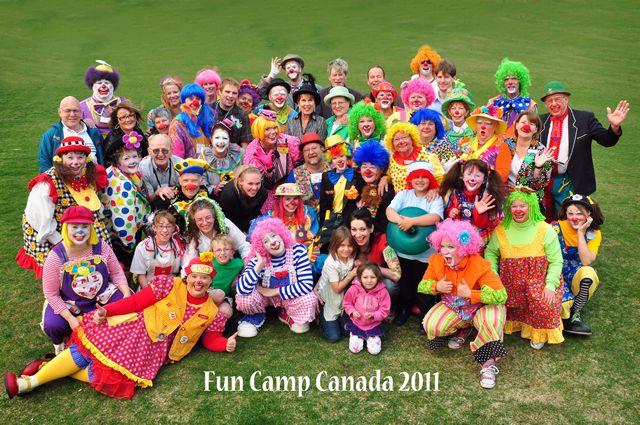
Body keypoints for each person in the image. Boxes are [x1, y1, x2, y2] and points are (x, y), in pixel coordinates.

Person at [5, 254, 237, 400]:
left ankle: (49, 366)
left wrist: (225, 343)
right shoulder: (170, 284)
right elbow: (136, 302)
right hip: (134, 328)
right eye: (194, 276)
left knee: (109, 377)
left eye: (204, 278)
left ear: (211, 281)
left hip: (154, 352)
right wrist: (107, 311)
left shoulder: (211, 311)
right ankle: (28, 383)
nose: (198, 282)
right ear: (187, 277)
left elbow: (211, 338)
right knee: (85, 352)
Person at [419, 219, 507, 389]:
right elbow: (422, 285)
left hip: (482, 309)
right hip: (455, 309)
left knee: (492, 320)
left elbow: (501, 295)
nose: (444, 251)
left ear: (463, 249)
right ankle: (465, 329)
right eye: (442, 246)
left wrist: (471, 294)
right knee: (431, 325)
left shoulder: (479, 265)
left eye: (451, 247)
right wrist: (436, 286)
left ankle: (488, 364)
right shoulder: (436, 261)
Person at [41, 206, 130, 354]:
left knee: (127, 305)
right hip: (70, 302)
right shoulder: (55, 256)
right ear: (66, 228)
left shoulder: (101, 246)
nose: (80, 231)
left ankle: (117, 337)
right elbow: (51, 294)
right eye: (74, 227)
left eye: (84, 227)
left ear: (91, 228)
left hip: (102, 296)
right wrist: (70, 319)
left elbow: (116, 272)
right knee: (53, 325)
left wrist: (126, 295)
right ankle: (60, 345)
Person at [17, 137, 110, 278]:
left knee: (93, 271)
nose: (75, 162)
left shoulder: (86, 174)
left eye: (80, 157)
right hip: (56, 233)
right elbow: (38, 218)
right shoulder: (47, 183)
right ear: (60, 158)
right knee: (64, 276)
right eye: (70, 157)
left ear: (86, 158)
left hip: (83, 228)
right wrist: (60, 242)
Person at [484, 187, 564, 349]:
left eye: (523, 205)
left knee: (543, 304)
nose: (518, 210)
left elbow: (556, 261)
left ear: (531, 206)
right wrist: (493, 275)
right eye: (514, 206)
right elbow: (490, 252)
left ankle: (539, 332)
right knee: (498, 304)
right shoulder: (501, 229)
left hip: (538, 283)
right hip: (510, 283)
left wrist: (550, 285)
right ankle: (515, 324)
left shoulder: (545, 229)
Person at [538, 80, 629, 219]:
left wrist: (614, 127)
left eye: (557, 99)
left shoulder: (585, 118)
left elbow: (606, 140)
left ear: (566, 99)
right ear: (545, 104)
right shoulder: (540, 121)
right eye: (549, 100)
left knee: (570, 219)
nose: (553, 104)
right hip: (545, 180)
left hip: (571, 181)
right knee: (545, 220)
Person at [235, 217, 317, 337]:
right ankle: (255, 315)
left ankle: (288, 314)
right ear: (261, 246)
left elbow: (306, 285)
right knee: (244, 298)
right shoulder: (257, 260)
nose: (272, 242)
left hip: (289, 298)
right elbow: (241, 290)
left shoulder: (298, 250)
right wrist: (259, 265)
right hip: (265, 299)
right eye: (266, 241)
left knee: (309, 298)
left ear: (281, 233)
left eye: (273, 235)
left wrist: (274, 291)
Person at [386, 161, 444, 326]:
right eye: (416, 177)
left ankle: (425, 315)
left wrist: (411, 221)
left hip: (426, 254)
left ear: (430, 179)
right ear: (410, 179)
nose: (420, 180)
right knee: (405, 284)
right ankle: (404, 309)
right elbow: (389, 212)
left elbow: (435, 217)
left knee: (424, 285)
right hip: (403, 251)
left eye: (424, 177)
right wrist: (401, 221)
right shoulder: (403, 195)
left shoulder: (434, 197)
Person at [552, 194, 604, 336]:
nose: (574, 218)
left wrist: (581, 233)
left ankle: (576, 312)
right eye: (570, 213)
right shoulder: (555, 227)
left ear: (588, 214)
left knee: (589, 273)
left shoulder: (594, 233)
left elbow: (586, 261)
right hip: (555, 274)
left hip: (575, 275)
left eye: (579, 213)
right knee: (560, 308)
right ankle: (565, 314)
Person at [101, 131, 151, 269]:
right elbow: (123, 216)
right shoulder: (123, 185)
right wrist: (129, 243)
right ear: (117, 161)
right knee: (126, 266)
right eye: (126, 158)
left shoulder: (129, 173)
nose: (132, 161)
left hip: (132, 226)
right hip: (123, 235)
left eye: (135, 156)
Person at [243, 109, 301, 214]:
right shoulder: (252, 152)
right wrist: (269, 169)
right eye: (267, 129)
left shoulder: (288, 142)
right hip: (266, 194)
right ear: (259, 131)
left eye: (275, 128)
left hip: (290, 188)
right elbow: (259, 184)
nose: (273, 132)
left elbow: (300, 167)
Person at [439, 159, 506, 245]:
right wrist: (452, 212)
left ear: (484, 180)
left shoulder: (488, 196)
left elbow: (484, 224)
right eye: (469, 174)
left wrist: (480, 213)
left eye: (477, 176)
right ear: (462, 176)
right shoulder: (454, 193)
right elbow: (446, 215)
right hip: (458, 237)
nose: (472, 179)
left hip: (478, 239)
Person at [182, 197, 252, 268]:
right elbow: (188, 263)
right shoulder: (193, 236)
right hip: (208, 272)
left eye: (208, 217)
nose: (205, 223)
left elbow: (244, 245)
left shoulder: (225, 225)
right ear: (195, 221)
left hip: (231, 269)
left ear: (214, 217)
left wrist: (247, 267)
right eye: (199, 219)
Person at [39, 96, 104, 171]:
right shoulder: (50, 135)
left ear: (81, 112)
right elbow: (45, 165)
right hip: (62, 178)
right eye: (68, 111)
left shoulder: (94, 134)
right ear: (60, 112)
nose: (72, 114)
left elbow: (104, 159)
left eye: (75, 111)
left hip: (94, 177)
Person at [343, 140, 394, 234]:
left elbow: (384, 225)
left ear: (381, 169)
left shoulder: (386, 189)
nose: (367, 171)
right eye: (364, 167)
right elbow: (346, 215)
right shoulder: (357, 185)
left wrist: (362, 212)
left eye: (372, 167)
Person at [316, 226, 357, 343]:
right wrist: (352, 273)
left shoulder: (350, 257)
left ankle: (339, 320)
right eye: (342, 245)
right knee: (333, 337)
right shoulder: (331, 263)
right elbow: (337, 289)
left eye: (349, 245)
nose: (346, 249)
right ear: (335, 245)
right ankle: (320, 320)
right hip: (328, 300)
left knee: (349, 332)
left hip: (341, 300)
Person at [348, 208, 401, 298]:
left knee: (390, 286)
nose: (358, 235)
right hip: (357, 282)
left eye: (363, 229)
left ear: (371, 228)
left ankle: (387, 305)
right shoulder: (347, 242)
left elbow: (396, 275)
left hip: (377, 280)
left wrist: (367, 266)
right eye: (354, 229)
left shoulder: (382, 240)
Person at [503, 110, 554, 200]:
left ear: (536, 129)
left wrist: (538, 167)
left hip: (528, 200)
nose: (526, 126)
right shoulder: (506, 144)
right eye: (523, 122)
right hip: (505, 197)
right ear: (516, 125)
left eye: (531, 124)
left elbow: (541, 184)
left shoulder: (542, 151)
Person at [151, 158, 212, 231]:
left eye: (194, 180)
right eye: (185, 180)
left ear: (201, 181)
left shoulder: (205, 195)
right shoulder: (167, 198)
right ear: (180, 181)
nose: (190, 185)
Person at [343, 263, 391, 355]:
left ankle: (371, 338)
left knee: (375, 351)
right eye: (365, 277)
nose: (369, 281)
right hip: (357, 324)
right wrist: (352, 311)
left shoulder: (382, 291)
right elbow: (347, 303)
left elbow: (385, 310)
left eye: (373, 277)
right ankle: (358, 336)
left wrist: (374, 315)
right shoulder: (354, 289)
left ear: (378, 278)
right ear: (360, 278)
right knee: (355, 349)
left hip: (373, 325)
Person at [318, 135, 356, 247]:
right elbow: (323, 203)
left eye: (341, 156)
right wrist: (322, 225)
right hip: (331, 218)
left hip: (348, 219)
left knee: (347, 246)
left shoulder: (356, 175)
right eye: (335, 158)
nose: (339, 160)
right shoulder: (326, 176)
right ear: (330, 161)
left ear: (347, 156)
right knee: (327, 246)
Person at [385, 121, 444, 194]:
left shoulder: (428, 156)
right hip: (400, 200)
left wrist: (434, 189)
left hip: (425, 199)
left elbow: (441, 179)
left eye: (404, 137)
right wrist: (385, 178)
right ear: (392, 143)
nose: (401, 141)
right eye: (396, 139)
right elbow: (390, 177)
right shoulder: (392, 160)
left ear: (412, 139)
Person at [265, 183, 319, 261]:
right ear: (280, 200)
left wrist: (301, 251)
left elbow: (311, 236)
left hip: (306, 253)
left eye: (295, 198)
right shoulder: (270, 219)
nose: (292, 202)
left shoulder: (308, 214)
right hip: (281, 257)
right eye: (288, 199)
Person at [130, 210, 184, 289]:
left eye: (168, 226)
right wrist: (148, 292)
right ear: (154, 228)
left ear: (173, 228)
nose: (165, 230)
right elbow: (140, 274)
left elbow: (184, 270)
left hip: (173, 287)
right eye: (161, 226)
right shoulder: (143, 247)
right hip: (148, 287)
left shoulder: (179, 246)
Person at [487, 58, 537, 140]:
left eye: (514, 78)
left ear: (520, 81)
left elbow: (534, 134)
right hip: (495, 146)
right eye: (506, 79)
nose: (510, 82)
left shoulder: (530, 105)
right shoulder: (493, 102)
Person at [459, 106, 511, 183]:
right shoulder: (466, 141)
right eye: (479, 122)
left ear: (496, 127)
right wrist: (460, 152)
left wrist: (481, 177)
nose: (483, 126)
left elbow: (502, 175)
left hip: (487, 187)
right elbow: (455, 164)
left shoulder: (501, 147)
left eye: (488, 123)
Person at [169, 83, 216, 159]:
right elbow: (177, 155)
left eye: (198, 98)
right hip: (188, 165)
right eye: (191, 98)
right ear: (184, 101)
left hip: (206, 164)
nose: (195, 102)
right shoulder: (178, 123)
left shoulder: (204, 119)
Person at [79, 60, 126, 137]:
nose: (103, 86)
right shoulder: (82, 107)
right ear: (92, 85)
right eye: (99, 83)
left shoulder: (123, 103)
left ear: (113, 86)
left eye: (107, 83)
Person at [217, 165, 268, 234]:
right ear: (240, 181)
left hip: (248, 219)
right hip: (229, 222)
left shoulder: (263, 193)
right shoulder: (229, 194)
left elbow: (254, 213)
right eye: (250, 184)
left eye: (258, 183)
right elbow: (225, 217)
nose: (254, 188)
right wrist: (242, 232)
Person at [285, 132, 329, 212]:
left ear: (322, 148)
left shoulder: (334, 170)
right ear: (303, 154)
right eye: (306, 150)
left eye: (314, 148)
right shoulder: (294, 175)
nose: (311, 152)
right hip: (305, 218)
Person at [202, 118, 244, 196]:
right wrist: (213, 189)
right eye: (217, 138)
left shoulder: (239, 153)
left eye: (224, 138)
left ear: (229, 140)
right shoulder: (203, 156)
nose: (220, 142)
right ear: (211, 139)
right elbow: (201, 183)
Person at [139, 134, 181, 203]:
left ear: (171, 151)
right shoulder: (143, 168)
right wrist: (157, 192)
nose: (160, 154)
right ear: (149, 152)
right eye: (156, 150)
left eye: (165, 150)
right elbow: (147, 200)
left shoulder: (180, 165)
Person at [212, 78, 253, 147]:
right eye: (227, 92)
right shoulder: (208, 110)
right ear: (219, 92)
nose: (230, 96)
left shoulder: (242, 115)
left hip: (233, 152)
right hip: (210, 150)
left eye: (234, 93)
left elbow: (245, 143)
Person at [285, 74, 327, 141]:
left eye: (310, 100)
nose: (307, 104)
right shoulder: (290, 122)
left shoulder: (321, 121)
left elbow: (320, 144)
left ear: (314, 102)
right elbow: (287, 142)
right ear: (298, 102)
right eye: (303, 100)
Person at [210, 234, 244, 299]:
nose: (222, 253)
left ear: (232, 252)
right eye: (218, 250)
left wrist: (238, 276)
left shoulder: (238, 263)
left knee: (226, 306)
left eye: (226, 249)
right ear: (213, 253)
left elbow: (248, 264)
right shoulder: (209, 264)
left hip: (225, 297)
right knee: (218, 294)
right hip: (208, 293)